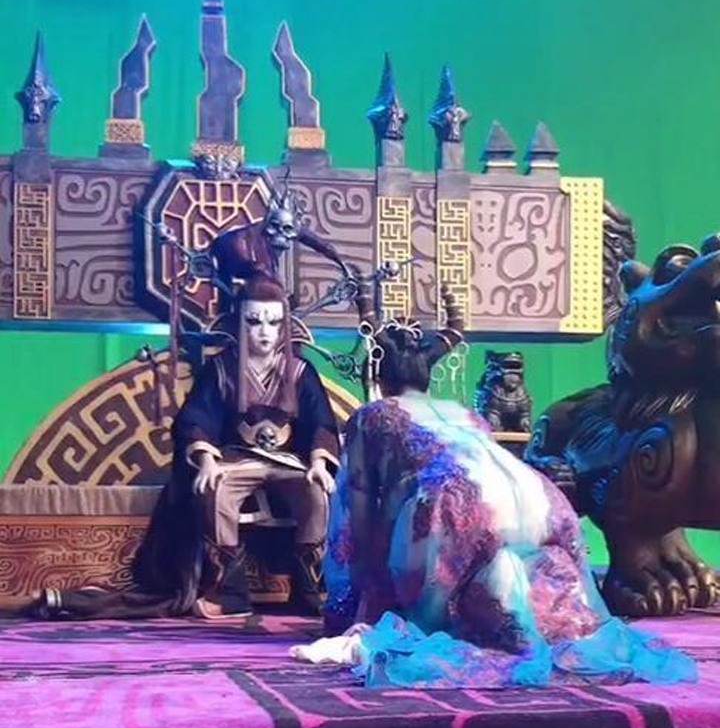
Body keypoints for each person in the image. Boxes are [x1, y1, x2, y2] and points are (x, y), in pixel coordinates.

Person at [308, 290, 696, 688]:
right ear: (429, 373)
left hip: (457, 499)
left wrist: (359, 600)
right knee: (552, 610)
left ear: (377, 376)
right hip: (539, 495)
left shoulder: (373, 414)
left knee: (444, 628)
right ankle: (543, 635)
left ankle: (504, 637)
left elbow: (357, 508)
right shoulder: (464, 412)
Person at [34, 264, 339, 621]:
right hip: (238, 457)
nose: (264, 332)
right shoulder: (222, 368)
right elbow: (196, 418)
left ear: (285, 325)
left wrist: (319, 463)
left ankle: (309, 588)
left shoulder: (301, 371)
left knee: (316, 492)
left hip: (288, 460)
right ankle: (230, 591)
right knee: (215, 489)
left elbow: (321, 421)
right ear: (238, 322)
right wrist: (207, 461)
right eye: (254, 321)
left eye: (273, 322)